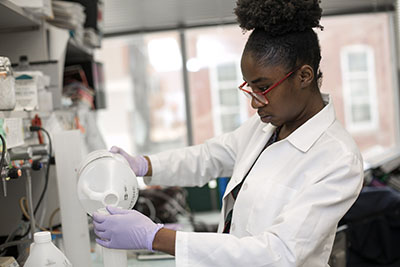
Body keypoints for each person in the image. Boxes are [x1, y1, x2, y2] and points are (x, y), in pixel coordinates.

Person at [92, 0, 364, 266]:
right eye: (250, 89)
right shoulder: (266, 127)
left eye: (264, 88)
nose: (255, 102)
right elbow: (208, 157)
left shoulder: (338, 159)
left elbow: (279, 253)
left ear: (304, 76)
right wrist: (142, 165)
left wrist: (156, 238)